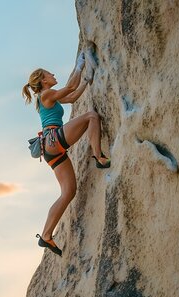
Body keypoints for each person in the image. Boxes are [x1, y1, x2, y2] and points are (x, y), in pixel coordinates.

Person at [22, 52, 110, 257]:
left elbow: (72, 96)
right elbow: (69, 88)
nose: (53, 74)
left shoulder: (49, 97)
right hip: (54, 139)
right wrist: (79, 66)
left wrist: (86, 82)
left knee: (68, 192)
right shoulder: (45, 95)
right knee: (91, 116)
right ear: (43, 80)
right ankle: (99, 156)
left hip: (52, 149)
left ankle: (46, 235)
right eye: (49, 74)